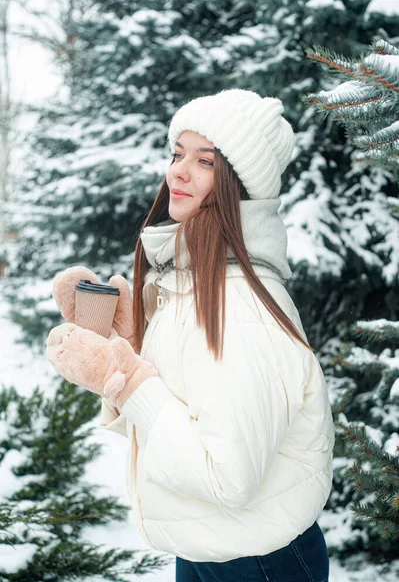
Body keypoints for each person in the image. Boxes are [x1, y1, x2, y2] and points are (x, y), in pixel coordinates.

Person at [46, 89, 335, 582]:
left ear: (239, 185)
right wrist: (134, 344)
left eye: (205, 161)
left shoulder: (240, 304)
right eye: (177, 153)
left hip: (257, 562)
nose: (177, 171)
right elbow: (195, 405)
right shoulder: (194, 282)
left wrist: (127, 378)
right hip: (211, 546)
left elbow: (227, 476)